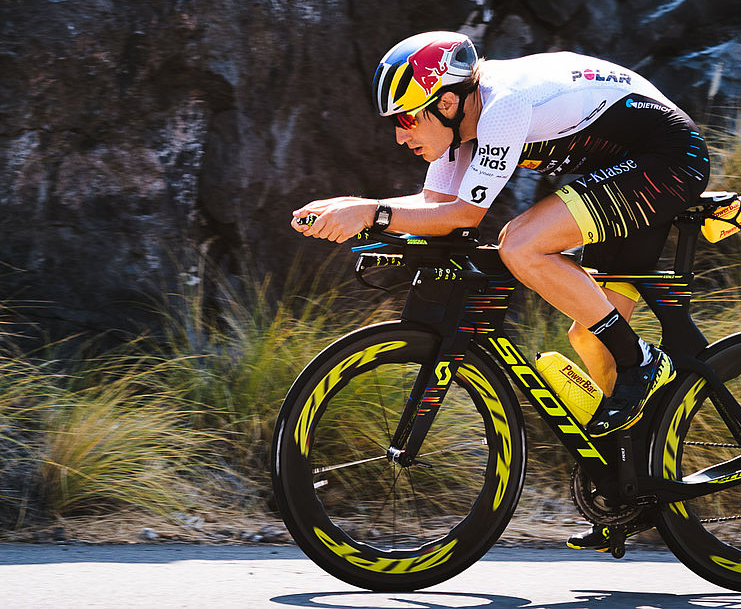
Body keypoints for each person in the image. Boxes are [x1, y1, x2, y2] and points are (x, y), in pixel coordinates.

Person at [291, 30, 710, 547]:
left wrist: (370, 209)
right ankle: (630, 490)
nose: (400, 136)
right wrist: (353, 211)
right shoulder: (457, 128)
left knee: (521, 244)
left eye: (405, 118)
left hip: (666, 157)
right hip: (619, 167)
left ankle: (643, 362)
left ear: (446, 102)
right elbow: (432, 210)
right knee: (591, 338)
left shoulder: (502, 106)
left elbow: (464, 214)